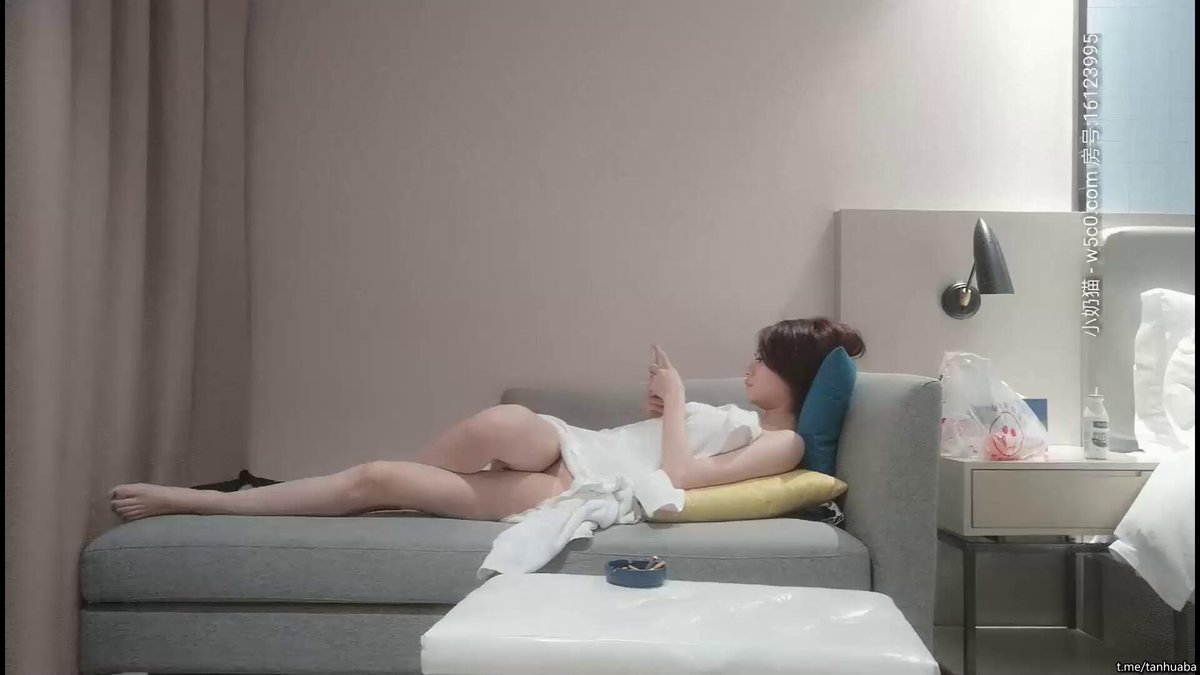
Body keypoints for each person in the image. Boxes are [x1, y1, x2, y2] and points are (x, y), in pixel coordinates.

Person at [110, 317, 865, 523]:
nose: (750, 365)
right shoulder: (735, 413)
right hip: (579, 444)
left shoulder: (787, 443)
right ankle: (387, 493)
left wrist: (675, 393)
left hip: (581, 489)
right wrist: (665, 407)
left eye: (765, 358)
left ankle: (208, 502)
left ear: (794, 376)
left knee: (376, 478)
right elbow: (671, 445)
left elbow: (681, 477)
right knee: (506, 420)